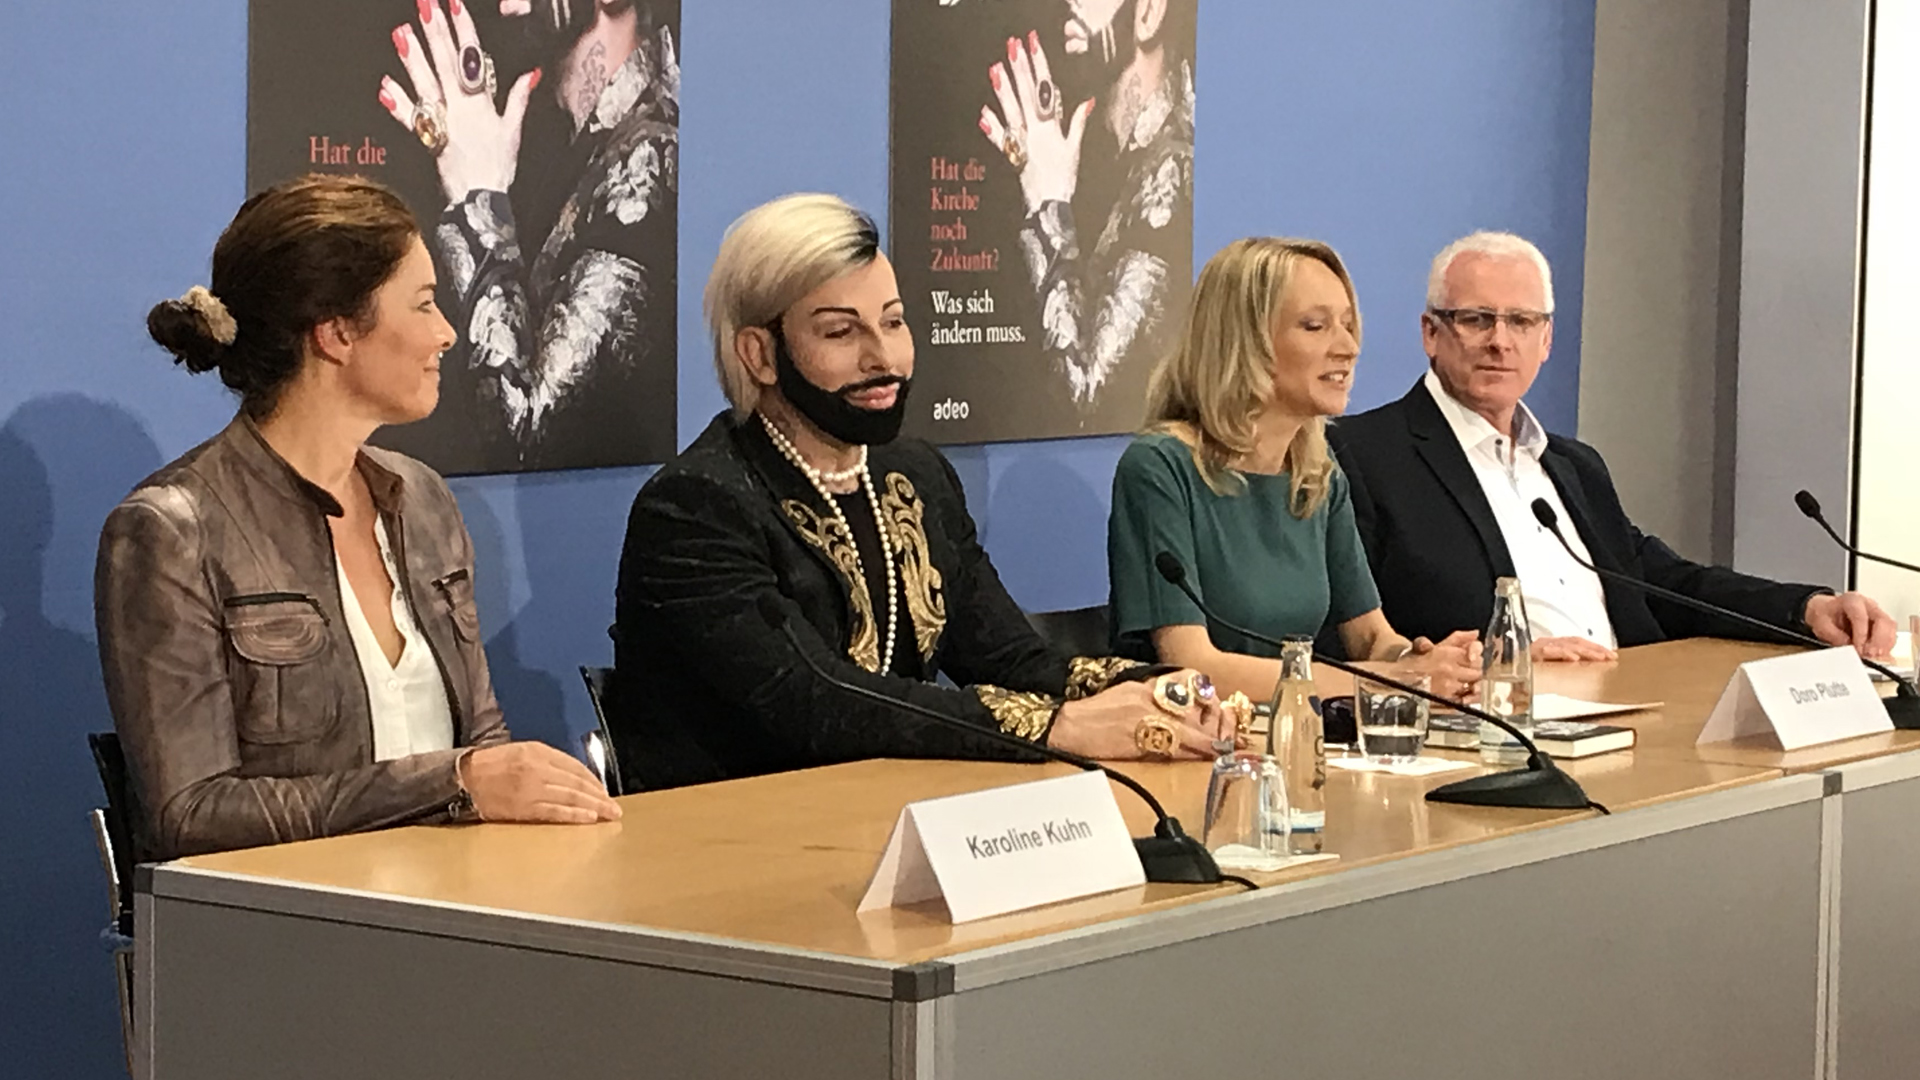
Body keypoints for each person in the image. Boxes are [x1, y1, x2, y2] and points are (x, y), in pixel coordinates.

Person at [609, 194, 1234, 791]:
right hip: (729, 843)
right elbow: (817, 701)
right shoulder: (696, 506)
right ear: (760, 354)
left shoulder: (914, 476)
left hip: (888, 819)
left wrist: (1162, 691)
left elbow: (1011, 661)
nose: (883, 357)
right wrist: (1061, 728)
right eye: (839, 333)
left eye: (894, 322)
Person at [96, 174, 620, 862]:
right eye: (425, 304)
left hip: (460, 914)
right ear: (337, 333)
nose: (447, 333)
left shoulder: (423, 498)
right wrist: (451, 783)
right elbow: (191, 815)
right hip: (285, 939)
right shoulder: (171, 530)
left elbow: (484, 740)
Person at [1329, 231, 1897, 659]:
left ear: (1546, 339)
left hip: (1630, 708)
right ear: (1432, 332)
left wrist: (1806, 609)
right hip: (1490, 729)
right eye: (1477, 319)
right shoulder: (1362, 454)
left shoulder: (1573, 465)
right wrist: (1507, 663)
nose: (1500, 341)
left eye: (1521, 322)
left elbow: (1666, 583)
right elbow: (1350, 633)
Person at [1107, 238, 1483, 702]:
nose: (1347, 347)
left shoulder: (1318, 475)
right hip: (1199, 743)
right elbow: (1192, 665)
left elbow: (1368, 637)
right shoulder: (1161, 468)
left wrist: (1420, 662)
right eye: (1315, 326)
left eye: (1348, 325)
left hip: (1298, 732)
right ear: (1244, 340)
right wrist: (1392, 682)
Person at [381, 0, 677, 468]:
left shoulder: (646, 161)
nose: (508, 5)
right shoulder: (575, 145)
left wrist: (478, 194)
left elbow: (527, 432)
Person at [978, 0, 1193, 413]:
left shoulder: (1170, 174)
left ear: (1148, 12)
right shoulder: (1100, 143)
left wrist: (1048, 203)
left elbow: (1087, 391)